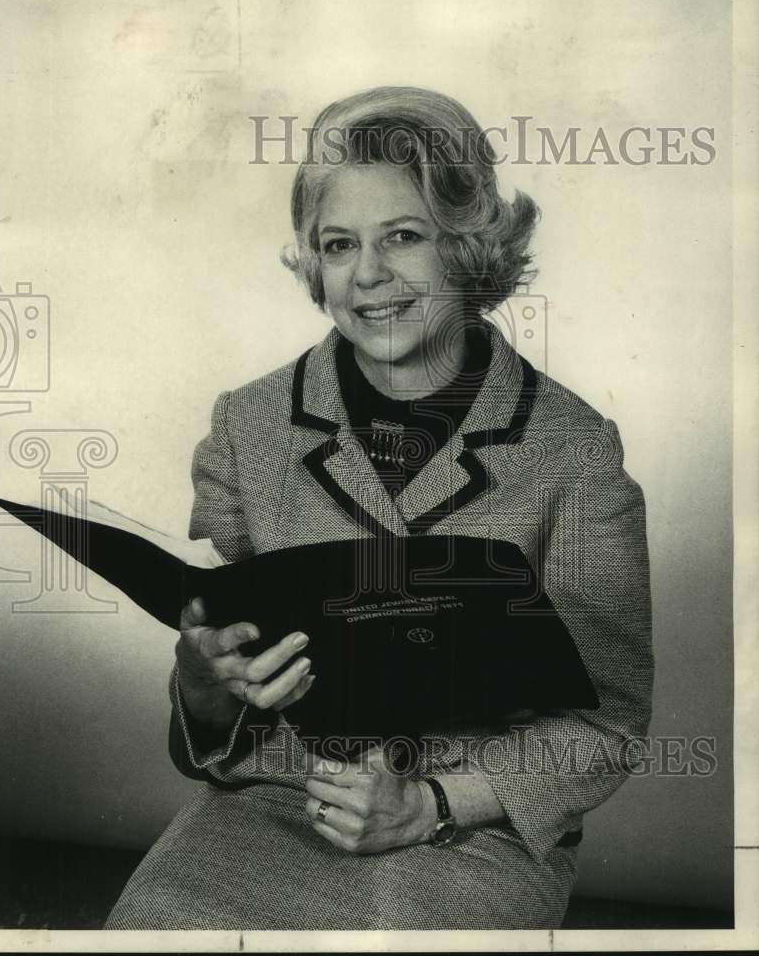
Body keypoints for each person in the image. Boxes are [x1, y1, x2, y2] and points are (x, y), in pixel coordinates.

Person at [106, 86, 653, 931]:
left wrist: (432, 803)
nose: (366, 276)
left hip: (474, 828)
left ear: (467, 246)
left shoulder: (574, 449)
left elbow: (606, 723)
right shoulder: (245, 426)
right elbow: (222, 703)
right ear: (312, 264)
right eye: (337, 244)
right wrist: (205, 680)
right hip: (278, 803)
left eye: (402, 236)